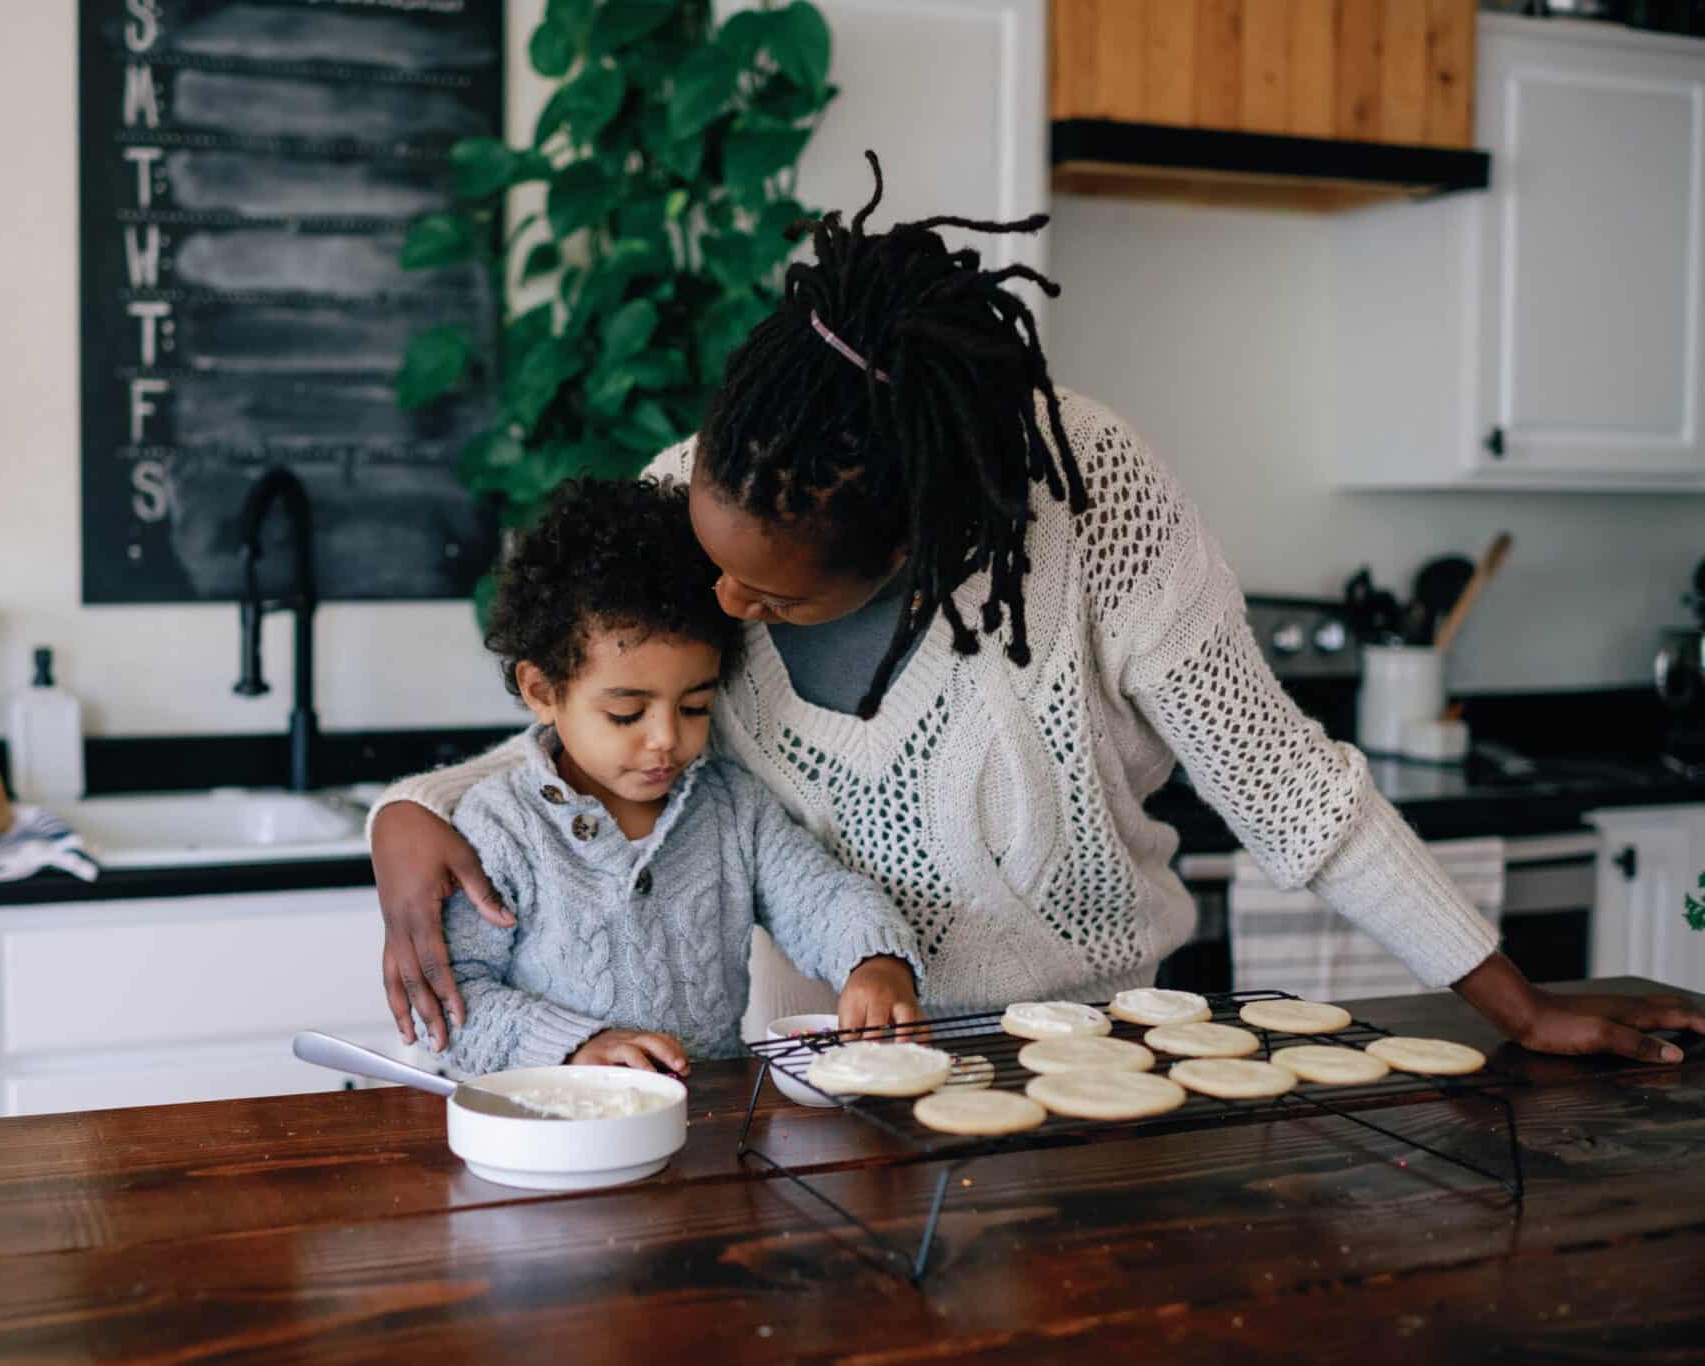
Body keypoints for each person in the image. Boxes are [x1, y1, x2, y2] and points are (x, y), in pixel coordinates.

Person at [375, 154, 1703, 1064]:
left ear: (912, 544)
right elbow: (588, 707)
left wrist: (1519, 1008)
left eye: (770, 594)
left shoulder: (1095, 505)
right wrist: (410, 812)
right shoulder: (706, 497)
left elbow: (1291, 788)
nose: (728, 603)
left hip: (1104, 1056)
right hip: (830, 1075)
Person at [434, 476, 923, 1077]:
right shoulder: (499, 825)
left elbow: (821, 899)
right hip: (554, 1136)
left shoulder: (732, 809)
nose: (668, 738)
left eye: (695, 706)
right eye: (626, 713)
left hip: (707, 1131)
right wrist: (577, 1046)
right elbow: (458, 1000)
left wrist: (873, 960)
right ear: (542, 691)